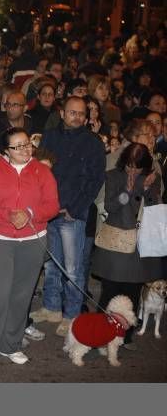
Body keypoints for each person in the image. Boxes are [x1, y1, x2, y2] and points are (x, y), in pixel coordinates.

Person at [0, 128, 59, 371]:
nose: (25, 150)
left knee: (21, 296)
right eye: (17, 147)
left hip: (33, 240)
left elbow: (52, 206)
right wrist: (9, 216)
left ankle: (10, 344)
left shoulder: (42, 171)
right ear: (6, 150)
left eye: (27, 144)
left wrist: (29, 214)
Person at [32, 96, 106, 336]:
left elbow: (95, 180)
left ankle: (72, 314)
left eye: (81, 113)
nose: (77, 116)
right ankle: (52, 307)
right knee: (51, 264)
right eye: (72, 112)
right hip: (48, 211)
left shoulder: (93, 143)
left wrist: (73, 208)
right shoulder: (50, 136)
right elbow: (39, 170)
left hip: (73, 213)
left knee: (73, 268)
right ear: (62, 113)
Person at [91, 143, 163, 350]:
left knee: (132, 291)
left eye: (137, 167)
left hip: (139, 242)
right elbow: (111, 206)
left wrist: (148, 190)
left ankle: (125, 335)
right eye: (130, 166)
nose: (133, 170)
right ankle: (100, 333)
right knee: (110, 291)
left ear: (146, 166)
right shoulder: (113, 175)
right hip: (116, 241)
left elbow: (156, 209)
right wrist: (128, 190)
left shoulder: (153, 177)